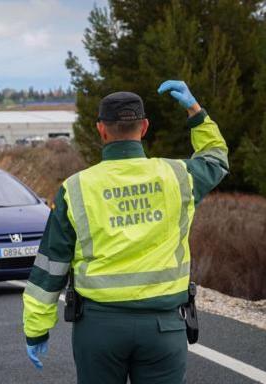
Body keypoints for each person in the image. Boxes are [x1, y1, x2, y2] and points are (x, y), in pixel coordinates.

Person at [22, 80, 229, 383]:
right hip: (164, 326)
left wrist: (35, 328)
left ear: (101, 130)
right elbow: (216, 157)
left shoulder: (75, 188)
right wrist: (195, 112)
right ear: (144, 128)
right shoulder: (178, 177)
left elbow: (51, 265)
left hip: (99, 329)